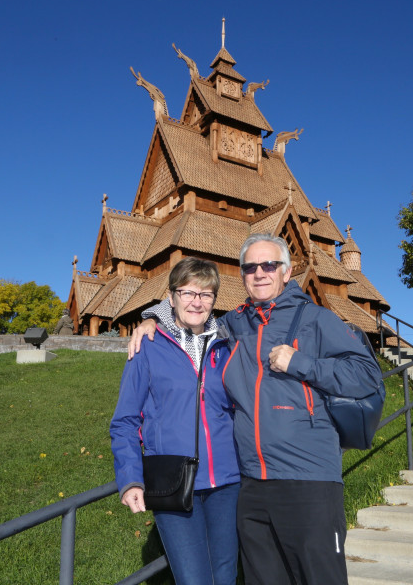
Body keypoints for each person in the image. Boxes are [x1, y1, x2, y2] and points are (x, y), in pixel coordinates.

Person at [129, 234, 384, 585]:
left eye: (270, 265)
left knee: (318, 576)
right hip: (251, 483)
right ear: (242, 274)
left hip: (308, 478)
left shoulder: (317, 319)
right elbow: (191, 311)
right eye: (250, 267)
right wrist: (151, 318)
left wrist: (303, 363)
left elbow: (367, 376)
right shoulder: (234, 325)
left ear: (287, 271)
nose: (260, 273)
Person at [110, 257, 240, 585]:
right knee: (193, 579)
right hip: (173, 480)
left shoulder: (226, 346)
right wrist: (130, 478)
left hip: (227, 481)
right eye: (188, 292)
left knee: (225, 576)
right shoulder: (148, 346)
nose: (197, 301)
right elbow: (124, 420)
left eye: (206, 294)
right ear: (171, 297)